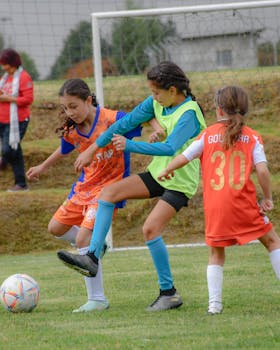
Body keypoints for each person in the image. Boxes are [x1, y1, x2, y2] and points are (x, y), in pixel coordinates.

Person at [57, 61, 207, 311]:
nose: (153, 97)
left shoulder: (189, 113)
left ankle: (168, 294)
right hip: (158, 173)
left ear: (172, 90)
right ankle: (92, 256)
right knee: (108, 194)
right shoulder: (157, 103)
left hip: (180, 181)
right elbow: (121, 126)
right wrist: (94, 149)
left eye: (156, 92)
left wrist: (131, 146)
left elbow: (170, 148)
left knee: (150, 230)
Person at [26, 78, 160, 312]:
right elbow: (64, 149)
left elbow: (144, 114)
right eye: (66, 107)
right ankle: (97, 247)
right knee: (55, 228)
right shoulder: (72, 129)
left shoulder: (112, 119)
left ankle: (97, 299)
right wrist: (42, 167)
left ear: (88, 100)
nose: (70, 112)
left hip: (108, 190)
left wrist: (157, 129)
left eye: (74, 106)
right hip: (84, 187)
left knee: (81, 240)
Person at [157, 85, 280, 315]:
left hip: (215, 206)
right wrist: (267, 197)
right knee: (272, 241)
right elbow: (262, 171)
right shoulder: (252, 136)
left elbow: (185, 156)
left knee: (216, 253)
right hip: (243, 203)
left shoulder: (208, 134)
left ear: (219, 110)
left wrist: (167, 169)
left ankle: (214, 305)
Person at [0, 48, 34, 191]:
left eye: (5, 63)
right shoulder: (5, 78)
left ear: (12, 63)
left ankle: (3, 161)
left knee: (8, 150)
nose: (3, 67)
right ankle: (21, 183)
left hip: (18, 121)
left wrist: (9, 99)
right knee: (15, 151)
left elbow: (28, 99)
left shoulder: (24, 77)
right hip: (2, 120)